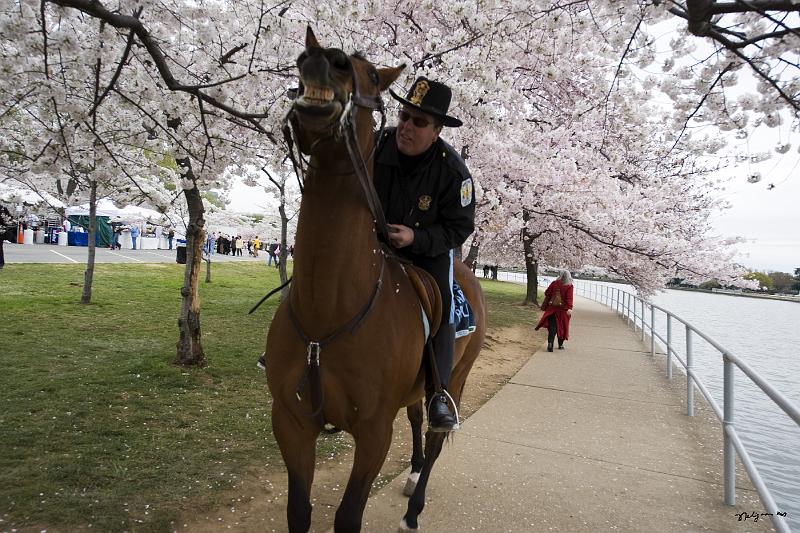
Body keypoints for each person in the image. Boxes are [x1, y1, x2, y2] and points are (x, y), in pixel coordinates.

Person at [374, 77, 475, 432]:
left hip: (426, 250)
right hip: (372, 240)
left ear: (436, 131)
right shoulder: (376, 145)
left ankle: (437, 394)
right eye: (403, 116)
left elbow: (460, 227)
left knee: (444, 300)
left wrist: (416, 237)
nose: (406, 127)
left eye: (418, 122)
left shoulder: (453, 171)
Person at [535, 271, 574, 352]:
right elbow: (569, 298)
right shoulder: (569, 286)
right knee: (563, 327)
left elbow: (547, 292)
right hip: (563, 311)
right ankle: (560, 345)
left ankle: (550, 344)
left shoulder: (554, 283)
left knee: (552, 327)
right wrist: (569, 308)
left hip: (552, 309)